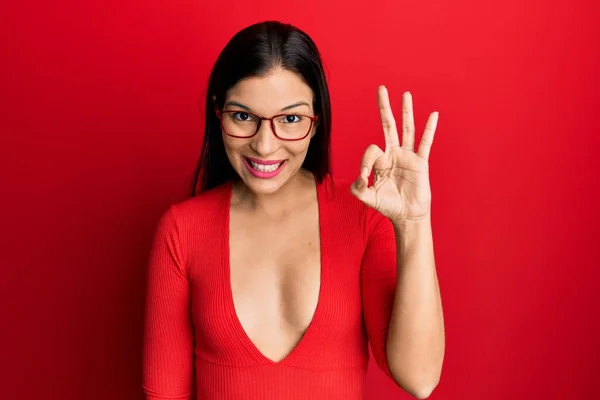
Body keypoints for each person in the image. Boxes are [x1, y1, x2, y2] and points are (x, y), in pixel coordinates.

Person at [142, 20, 445, 400]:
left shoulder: (362, 218)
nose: (265, 146)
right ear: (218, 113)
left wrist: (414, 223)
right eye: (243, 116)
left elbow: (419, 379)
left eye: (290, 119)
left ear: (317, 121)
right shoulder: (181, 230)